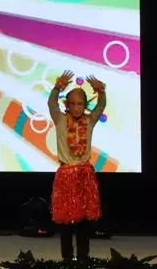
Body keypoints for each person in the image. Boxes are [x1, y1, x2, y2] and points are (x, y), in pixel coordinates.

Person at [46, 71, 106, 261]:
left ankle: (82, 259)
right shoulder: (60, 119)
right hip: (66, 175)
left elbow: (101, 106)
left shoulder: (89, 120)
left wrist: (101, 91)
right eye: (72, 103)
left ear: (85, 105)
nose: (76, 107)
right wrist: (57, 88)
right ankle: (67, 259)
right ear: (67, 105)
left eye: (80, 104)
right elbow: (51, 104)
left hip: (84, 176)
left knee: (84, 222)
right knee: (66, 223)